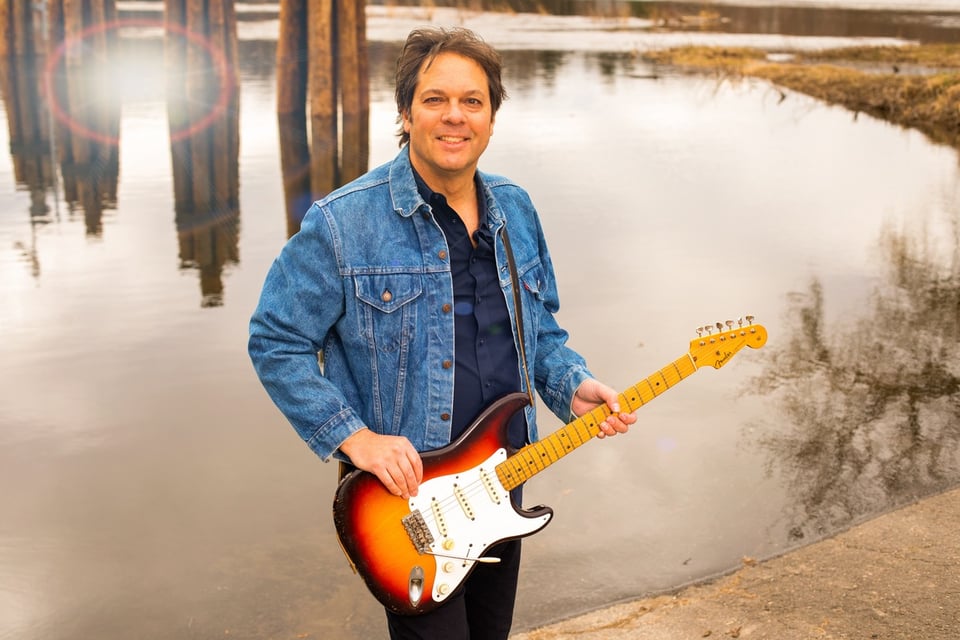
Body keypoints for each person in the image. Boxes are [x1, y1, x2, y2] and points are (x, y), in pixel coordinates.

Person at [248, 26, 636, 640]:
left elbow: (540, 332)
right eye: (435, 100)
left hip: (504, 472)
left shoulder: (516, 209)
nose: (454, 117)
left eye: (472, 101)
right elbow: (276, 340)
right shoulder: (343, 222)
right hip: (408, 501)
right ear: (406, 112)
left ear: (491, 116)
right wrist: (355, 439)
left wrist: (572, 386)